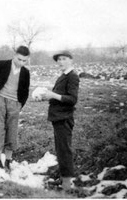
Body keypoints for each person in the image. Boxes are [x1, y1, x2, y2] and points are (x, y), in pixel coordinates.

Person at [0, 46, 30, 171]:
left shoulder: (25, 72)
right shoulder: (2, 65)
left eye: (24, 61)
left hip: (14, 104)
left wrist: (20, 104)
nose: (21, 63)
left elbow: (25, 91)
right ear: (14, 55)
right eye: (19, 59)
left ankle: (8, 161)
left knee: (12, 131)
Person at [41, 50, 79, 190]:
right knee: (60, 149)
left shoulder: (73, 77)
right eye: (59, 60)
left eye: (64, 59)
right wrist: (48, 97)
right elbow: (60, 96)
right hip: (58, 118)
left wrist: (53, 95)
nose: (60, 62)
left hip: (64, 118)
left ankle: (67, 185)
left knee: (64, 150)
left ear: (71, 60)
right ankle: (63, 179)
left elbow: (72, 99)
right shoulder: (63, 76)